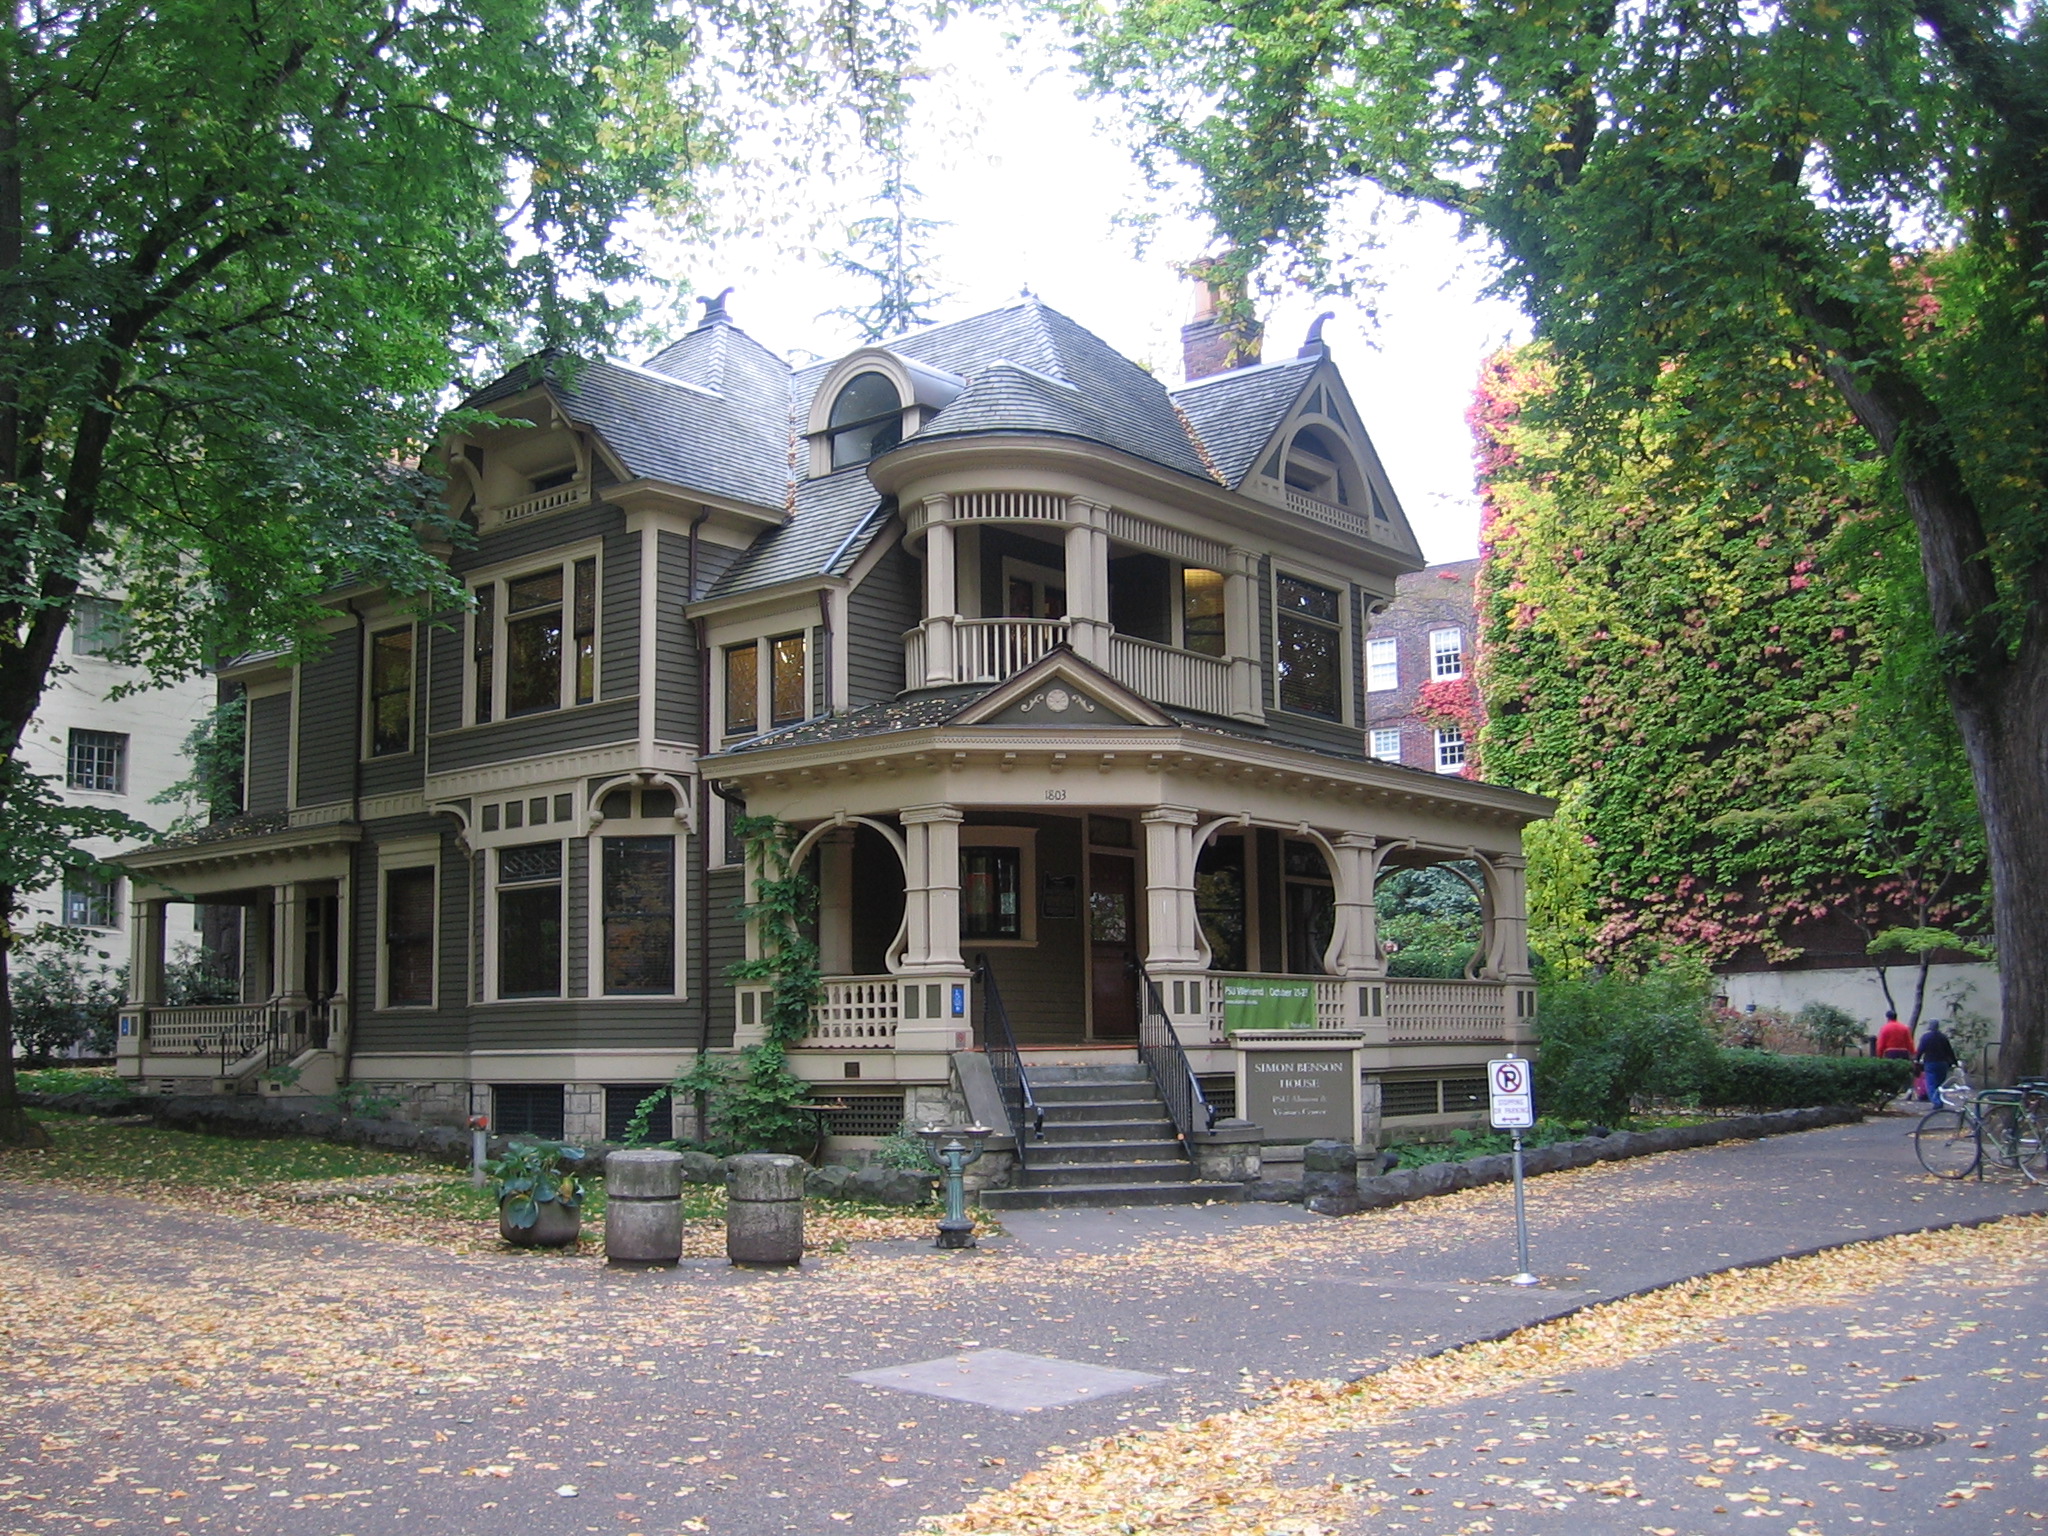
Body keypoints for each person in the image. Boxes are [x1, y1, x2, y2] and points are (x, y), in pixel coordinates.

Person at [1917, 1020, 1959, 1103]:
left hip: (1930, 1063)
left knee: (1931, 1084)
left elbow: (1920, 1050)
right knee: (1940, 1084)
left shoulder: (1925, 1037)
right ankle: (1940, 1099)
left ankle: (1937, 1102)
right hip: (1943, 1063)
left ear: (1930, 1026)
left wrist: (1916, 1060)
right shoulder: (1943, 1037)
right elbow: (1949, 1051)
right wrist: (1955, 1062)